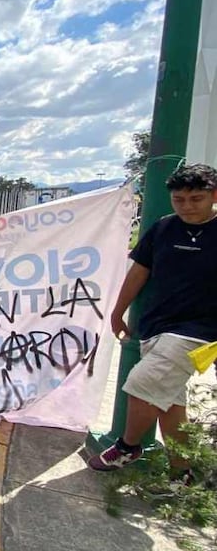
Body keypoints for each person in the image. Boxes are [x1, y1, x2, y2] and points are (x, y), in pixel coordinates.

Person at [88, 163, 217, 481]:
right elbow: (139, 272)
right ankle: (182, 473)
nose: (187, 206)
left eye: (196, 199)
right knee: (169, 402)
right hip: (156, 324)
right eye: (179, 199)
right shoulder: (163, 228)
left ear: (214, 195)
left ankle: (127, 446)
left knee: (143, 384)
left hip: (200, 331)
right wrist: (118, 311)